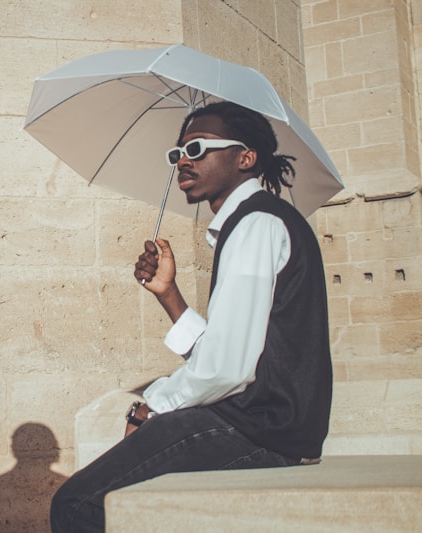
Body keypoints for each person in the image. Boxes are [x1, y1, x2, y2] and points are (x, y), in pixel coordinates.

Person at [50, 102, 332, 533]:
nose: (182, 159)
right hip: (266, 429)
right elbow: (227, 354)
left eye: (197, 148)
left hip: (259, 433)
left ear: (245, 157)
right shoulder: (254, 222)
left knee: (77, 504)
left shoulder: (256, 224)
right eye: (177, 152)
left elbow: (227, 369)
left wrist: (151, 408)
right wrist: (169, 294)